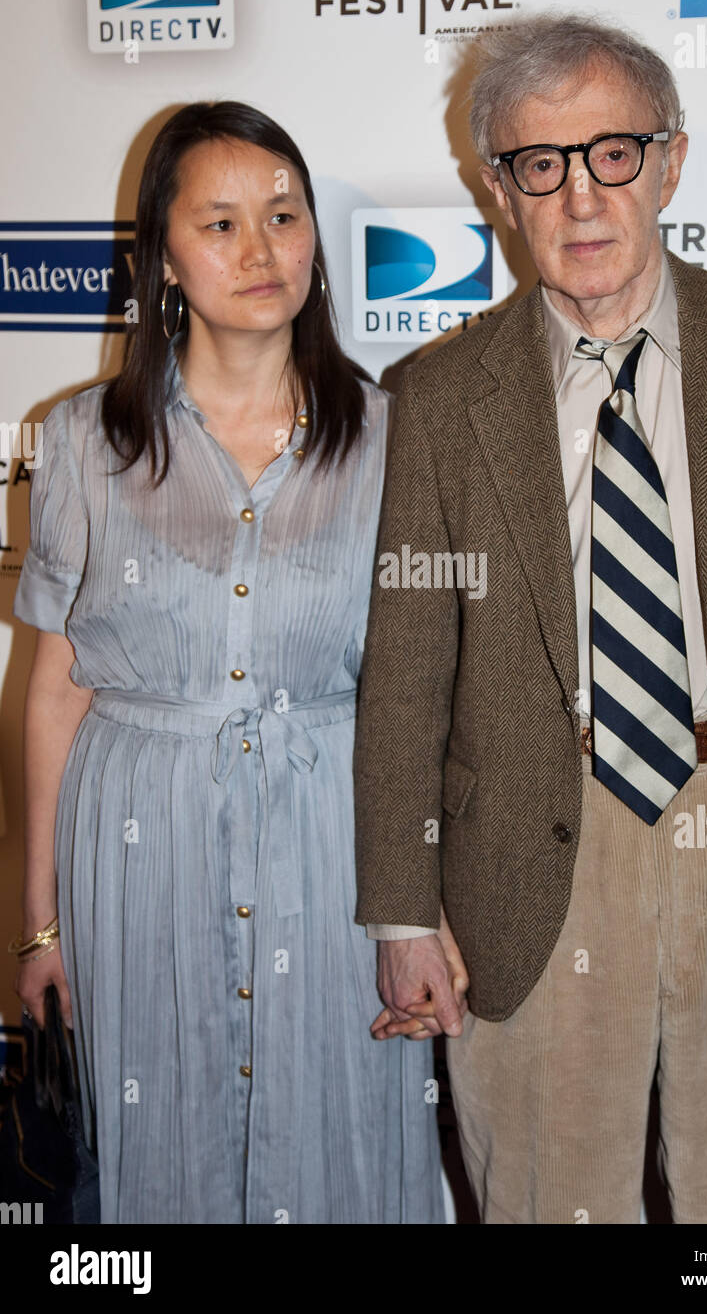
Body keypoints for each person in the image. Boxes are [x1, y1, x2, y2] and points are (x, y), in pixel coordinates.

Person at [354, 14, 707, 1223]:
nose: (580, 196)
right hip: (536, 854)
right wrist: (398, 907)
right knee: (546, 1197)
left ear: (670, 162)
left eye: (613, 154)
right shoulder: (436, 396)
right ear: (500, 188)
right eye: (541, 163)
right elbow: (407, 670)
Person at [11, 101, 444, 1225]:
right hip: (139, 858)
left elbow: (425, 697)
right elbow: (57, 685)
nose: (261, 251)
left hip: (337, 853)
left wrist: (424, 906)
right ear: (164, 256)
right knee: (160, 1153)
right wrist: (42, 921)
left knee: (339, 1136)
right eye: (220, 223)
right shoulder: (79, 443)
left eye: (284, 216)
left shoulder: (398, 441)